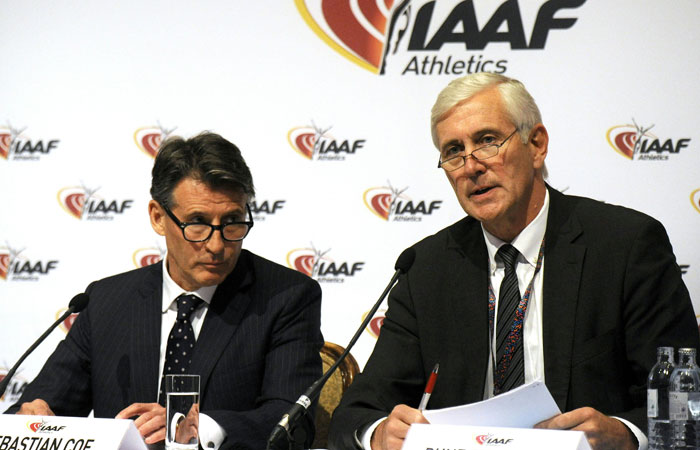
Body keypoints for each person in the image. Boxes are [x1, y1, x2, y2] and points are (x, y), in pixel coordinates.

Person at [328, 73, 699, 450]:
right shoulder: (426, 267)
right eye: (454, 151)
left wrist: (625, 435)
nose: (470, 166)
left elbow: (684, 400)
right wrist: (377, 434)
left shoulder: (624, 246)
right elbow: (355, 414)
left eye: (487, 141)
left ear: (536, 145)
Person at [6, 132, 324, 450]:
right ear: (158, 218)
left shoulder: (286, 297)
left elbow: (292, 422)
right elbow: (40, 409)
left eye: (232, 222)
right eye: (197, 223)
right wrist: (33, 419)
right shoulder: (106, 302)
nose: (217, 245)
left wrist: (197, 428)